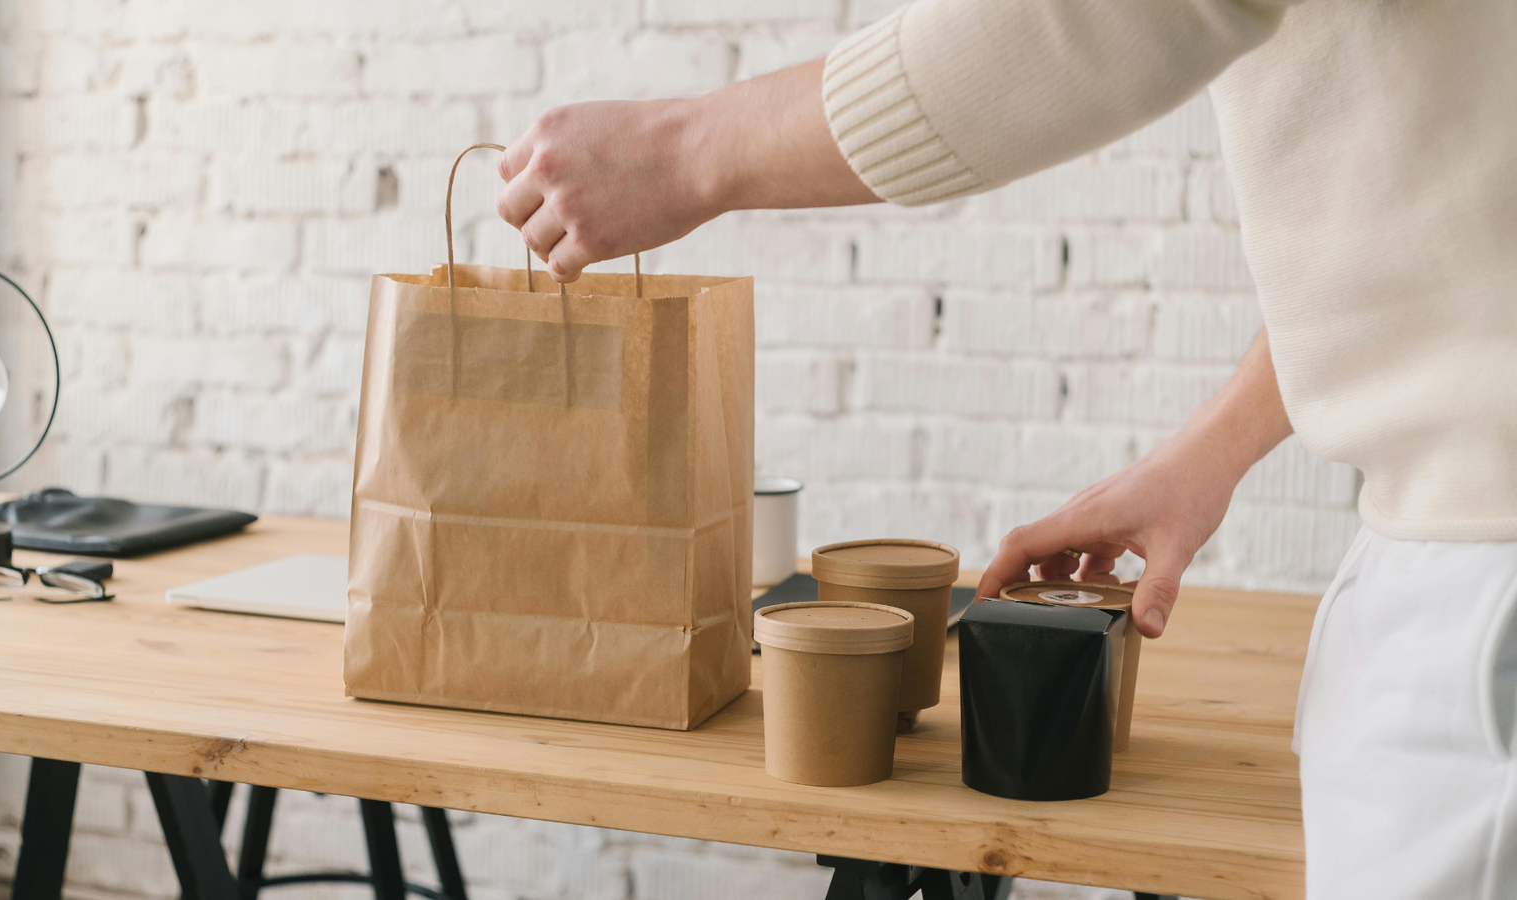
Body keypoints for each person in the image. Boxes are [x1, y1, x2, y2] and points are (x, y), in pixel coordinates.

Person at [492, 1, 1517, 896]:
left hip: (1482, 595)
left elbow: (1104, 21)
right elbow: (1453, 213)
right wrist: (1212, 449)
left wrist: (686, 150)